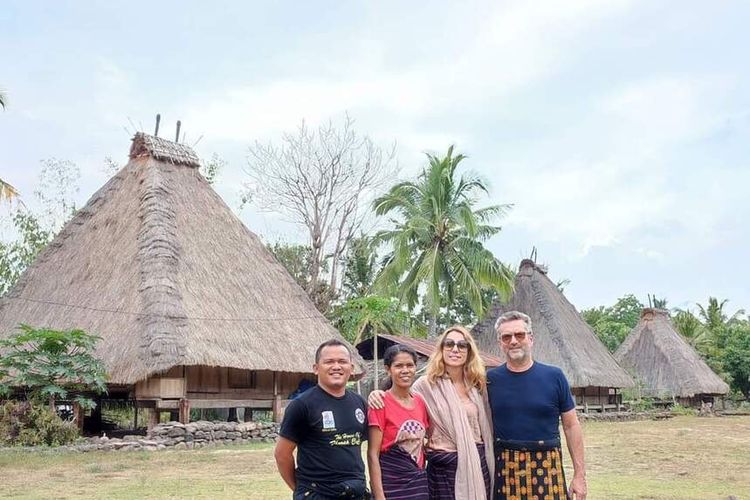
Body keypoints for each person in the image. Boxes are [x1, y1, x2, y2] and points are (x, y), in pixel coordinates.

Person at [370, 326, 494, 499]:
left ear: (469, 350)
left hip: (477, 464)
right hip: (444, 468)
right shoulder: (426, 385)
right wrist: (376, 393)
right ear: (441, 349)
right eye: (449, 344)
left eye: (462, 345)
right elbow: (401, 399)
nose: (455, 349)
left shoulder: (476, 385)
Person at [488, 311, 587, 500]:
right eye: (506, 337)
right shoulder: (490, 381)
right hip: (505, 468)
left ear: (531, 338)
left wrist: (579, 476)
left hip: (547, 466)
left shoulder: (555, 376)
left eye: (519, 335)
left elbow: (571, 425)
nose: (513, 341)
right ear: (500, 343)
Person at [274, 339, 369, 499]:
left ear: (351, 368)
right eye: (329, 362)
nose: (336, 366)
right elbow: (282, 455)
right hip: (318, 493)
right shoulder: (302, 405)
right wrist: (300, 490)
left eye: (342, 361)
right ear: (316, 368)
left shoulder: (360, 403)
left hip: (355, 491)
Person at [367, 344, 430, 500]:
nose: (405, 370)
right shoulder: (380, 403)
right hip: (391, 484)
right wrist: (380, 496)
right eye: (398, 366)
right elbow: (372, 454)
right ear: (388, 369)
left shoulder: (420, 402)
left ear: (416, 367)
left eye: (409, 365)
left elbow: (422, 442)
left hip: (417, 484)